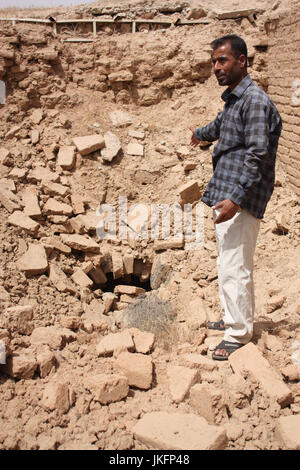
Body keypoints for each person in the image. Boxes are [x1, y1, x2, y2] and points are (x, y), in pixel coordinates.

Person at [190, 35, 282, 360]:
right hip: (227, 191)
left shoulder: (254, 101)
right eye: (214, 61)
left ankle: (238, 335)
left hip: (240, 196)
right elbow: (219, 126)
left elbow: (257, 154)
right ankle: (234, 318)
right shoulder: (234, 100)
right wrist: (198, 135)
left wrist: (237, 199)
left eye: (223, 60)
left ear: (242, 61)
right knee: (227, 261)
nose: (216, 67)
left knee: (235, 265)